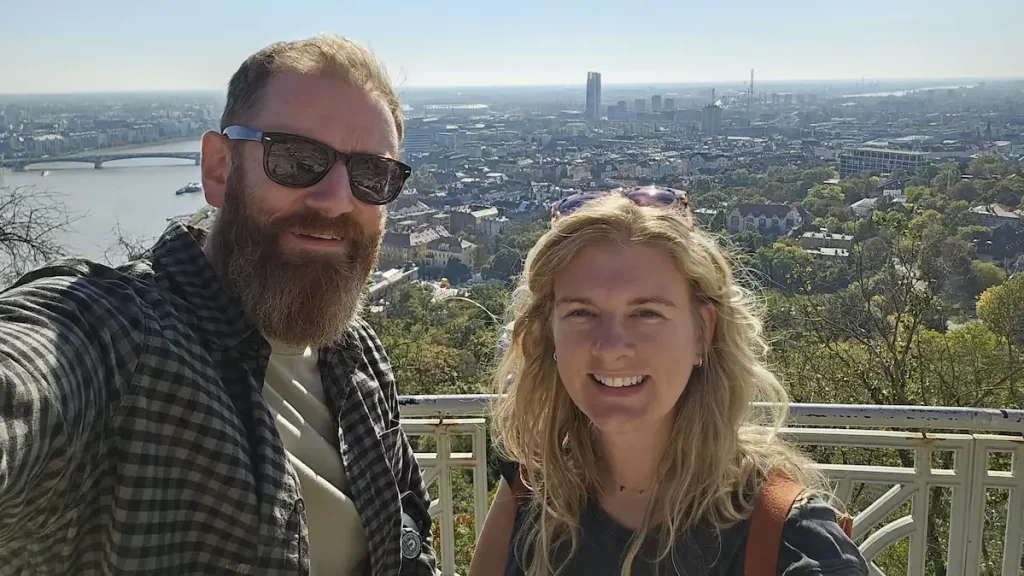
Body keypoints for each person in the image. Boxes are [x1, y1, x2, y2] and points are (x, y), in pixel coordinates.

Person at [0, 35, 437, 576]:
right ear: (219, 169)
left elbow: (410, 542)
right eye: (296, 159)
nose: (336, 200)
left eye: (372, 175)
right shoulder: (123, 336)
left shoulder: (359, 356)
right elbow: (32, 368)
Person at [469, 188, 868, 576]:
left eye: (646, 314)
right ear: (549, 333)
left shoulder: (786, 538)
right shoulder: (532, 489)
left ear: (702, 332)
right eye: (581, 313)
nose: (610, 348)